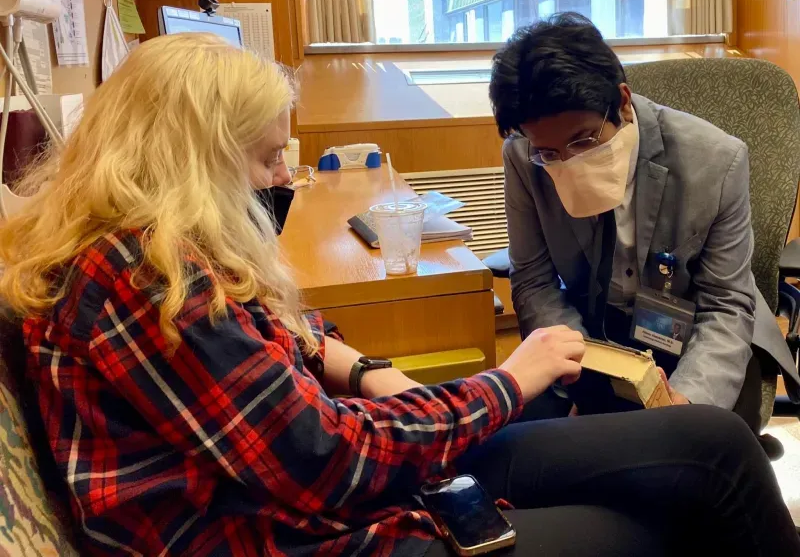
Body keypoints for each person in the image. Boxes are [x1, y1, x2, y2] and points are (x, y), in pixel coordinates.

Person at [0, 33, 797, 556]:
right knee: (654, 517)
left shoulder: (149, 253)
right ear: (194, 156)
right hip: (313, 517)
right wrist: (506, 383)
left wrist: (361, 366)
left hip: (327, 473)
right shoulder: (146, 274)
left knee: (710, 442)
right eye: (269, 157)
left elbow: (284, 340)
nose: (284, 178)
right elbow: (325, 461)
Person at [490, 12, 799, 430]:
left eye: (583, 140)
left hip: (698, 329)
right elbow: (532, 278)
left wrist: (685, 400)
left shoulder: (715, 159)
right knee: (528, 439)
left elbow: (725, 303)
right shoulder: (524, 156)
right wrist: (583, 370)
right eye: (550, 152)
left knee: (699, 444)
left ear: (622, 102)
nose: (568, 161)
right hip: (590, 331)